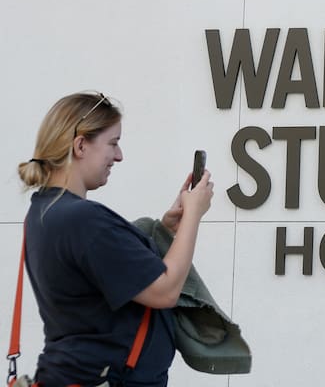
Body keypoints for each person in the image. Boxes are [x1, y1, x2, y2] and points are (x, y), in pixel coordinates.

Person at [15, 91, 214, 387]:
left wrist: (169, 229)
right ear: (81, 145)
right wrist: (194, 216)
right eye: (113, 143)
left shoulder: (44, 212)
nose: (119, 156)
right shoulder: (82, 220)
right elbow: (165, 291)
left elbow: (108, 271)